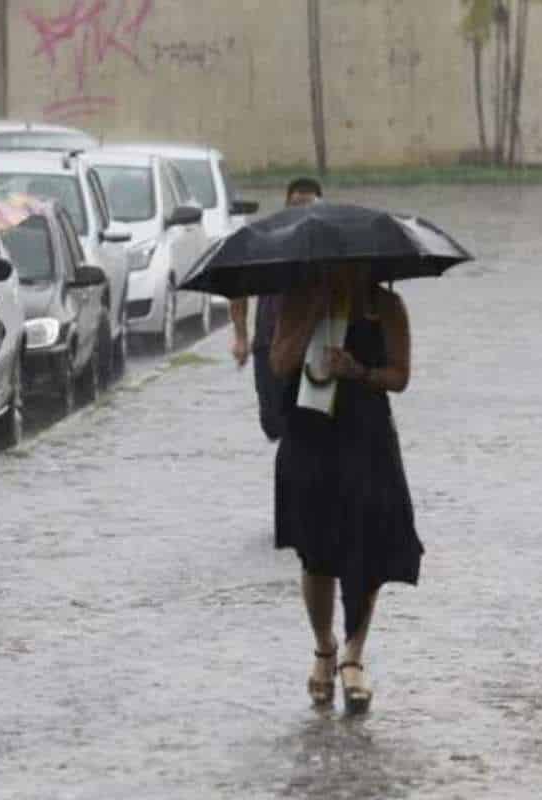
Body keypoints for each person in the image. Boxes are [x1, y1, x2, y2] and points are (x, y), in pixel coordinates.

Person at [269, 263, 423, 712]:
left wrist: (358, 371)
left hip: (367, 439)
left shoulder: (386, 306)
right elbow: (279, 364)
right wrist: (312, 318)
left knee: (367, 548)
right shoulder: (298, 300)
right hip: (310, 439)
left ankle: (354, 656)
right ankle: (324, 649)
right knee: (316, 554)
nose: (344, 272)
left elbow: (400, 376)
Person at [230, 177, 323, 441]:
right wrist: (240, 337)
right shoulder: (266, 241)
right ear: (285, 206)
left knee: (307, 423)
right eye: (296, 206)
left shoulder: (329, 245)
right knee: (272, 423)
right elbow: (238, 287)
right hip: (268, 344)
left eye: (310, 206)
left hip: (315, 344)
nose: (302, 212)